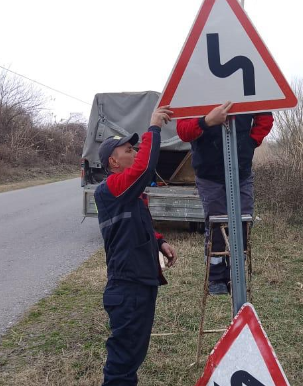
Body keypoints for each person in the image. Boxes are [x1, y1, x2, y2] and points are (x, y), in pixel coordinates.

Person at [94, 106, 178, 385]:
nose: (134, 151)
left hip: (141, 283)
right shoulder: (110, 188)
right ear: (113, 163)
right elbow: (144, 167)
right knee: (123, 360)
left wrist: (159, 242)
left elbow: (136, 227)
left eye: (134, 147)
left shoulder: (130, 195)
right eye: (128, 150)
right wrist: (153, 126)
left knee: (133, 354)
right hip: (127, 287)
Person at [177, 102, 274, 295]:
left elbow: (265, 116)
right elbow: (183, 130)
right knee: (217, 226)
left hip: (242, 171)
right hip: (209, 173)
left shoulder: (245, 89)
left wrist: (251, 142)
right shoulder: (196, 91)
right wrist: (206, 121)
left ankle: (236, 275)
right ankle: (215, 278)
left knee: (244, 222)